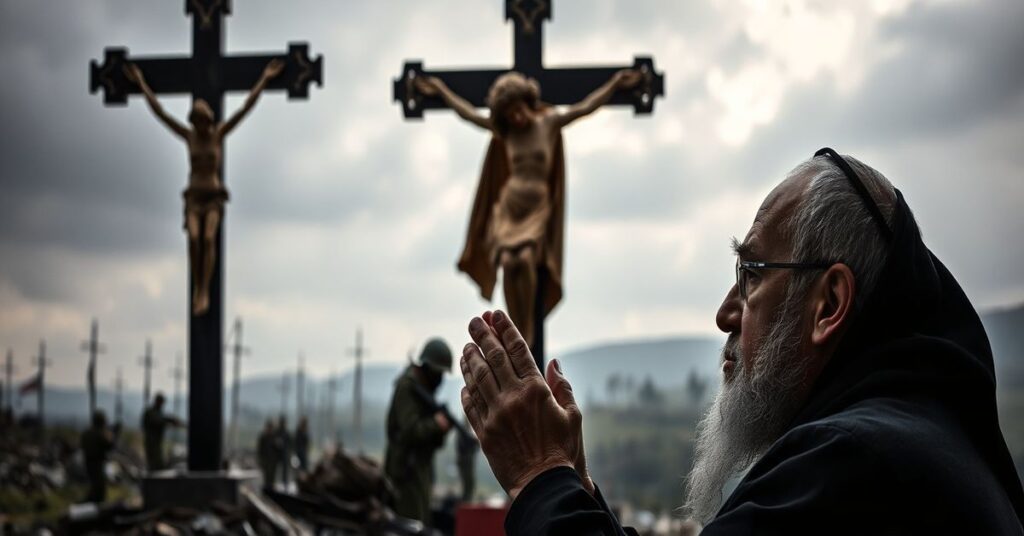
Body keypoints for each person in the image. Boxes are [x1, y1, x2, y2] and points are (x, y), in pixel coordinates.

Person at [457, 149, 1024, 534]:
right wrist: (573, 488)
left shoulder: (855, 464)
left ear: (827, 305)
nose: (725, 313)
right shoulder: (904, 442)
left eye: (751, 274)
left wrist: (539, 476)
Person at [414, 70, 642, 348]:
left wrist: (615, 84)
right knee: (509, 263)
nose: (516, 118)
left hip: (536, 206)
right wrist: (440, 89)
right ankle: (515, 328)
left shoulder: (548, 122)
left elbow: (586, 107)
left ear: (526, 101)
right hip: (510, 204)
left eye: (519, 110)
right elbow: (469, 114)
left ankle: (529, 331)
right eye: (509, 114)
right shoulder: (508, 134)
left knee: (524, 259)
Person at [124, 59, 283, 315]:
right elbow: (160, 113)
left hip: (214, 197)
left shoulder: (219, 134)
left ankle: (203, 290)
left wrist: (264, 78)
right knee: (194, 238)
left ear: (210, 119)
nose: (202, 127)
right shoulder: (189, 137)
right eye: (198, 123)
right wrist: (141, 82)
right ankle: (198, 287)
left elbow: (245, 108)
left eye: (205, 122)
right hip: (193, 197)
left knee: (208, 238)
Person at [384, 338, 455, 525]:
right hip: (405, 473)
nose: (440, 380)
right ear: (428, 368)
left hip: (419, 471)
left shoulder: (423, 391)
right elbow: (409, 430)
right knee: (410, 524)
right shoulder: (408, 387)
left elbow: (432, 441)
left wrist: (441, 429)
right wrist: (435, 424)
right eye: (438, 373)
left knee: (421, 523)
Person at [80, 410, 119, 503]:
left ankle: (91, 503)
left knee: (95, 485)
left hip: (88, 462)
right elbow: (109, 446)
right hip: (97, 463)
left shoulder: (87, 433)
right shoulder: (99, 434)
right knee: (99, 487)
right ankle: (93, 505)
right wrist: (114, 434)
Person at [141, 392, 183, 472]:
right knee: (155, 463)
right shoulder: (150, 412)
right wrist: (170, 421)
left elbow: (162, 419)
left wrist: (172, 420)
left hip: (156, 442)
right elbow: (158, 421)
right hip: (152, 442)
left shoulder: (156, 412)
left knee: (158, 462)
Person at [257, 419, 278, 489]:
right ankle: (266, 489)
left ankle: (271, 489)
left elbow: (277, 449)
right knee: (266, 477)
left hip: (272, 460)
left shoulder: (274, 437)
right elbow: (260, 449)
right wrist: (260, 459)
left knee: (272, 477)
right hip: (265, 460)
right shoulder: (263, 437)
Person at [276, 415, 292, 486]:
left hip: (285, 454)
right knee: (277, 472)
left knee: (285, 473)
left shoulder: (286, 432)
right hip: (277, 454)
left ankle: (284, 483)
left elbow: (290, 443)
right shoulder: (277, 432)